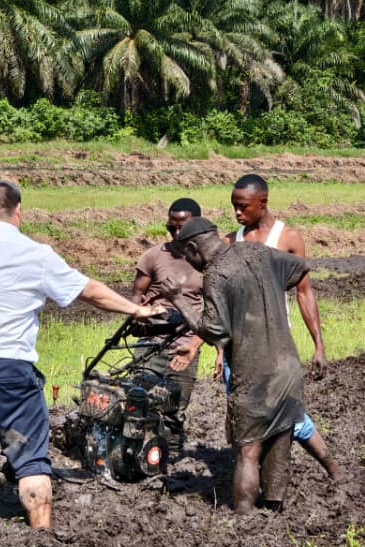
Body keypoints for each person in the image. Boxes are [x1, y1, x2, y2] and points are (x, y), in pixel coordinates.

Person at [0, 180, 160, 529]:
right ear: (19, 212)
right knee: (31, 463)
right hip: (12, 374)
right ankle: (41, 538)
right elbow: (90, 291)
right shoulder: (37, 254)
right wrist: (135, 310)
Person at [163, 216, 308, 515]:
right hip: (288, 364)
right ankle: (273, 509)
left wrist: (179, 300)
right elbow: (298, 269)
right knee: (280, 438)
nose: (190, 264)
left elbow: (215, 330)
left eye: (187, 256)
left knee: (248, 450)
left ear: (193, 248)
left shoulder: (216, 275)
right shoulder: (256, 251)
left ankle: (244, 518)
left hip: (254, 373)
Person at [224, 173, 339, 480]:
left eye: (243, 206)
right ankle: (252, 483)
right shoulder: (231, 242)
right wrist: (220, 352)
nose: (237, 213)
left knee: (292, 416)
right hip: (239, 350)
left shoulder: (287, 239)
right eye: (234, 206)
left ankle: (333, 469)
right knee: (242, 420)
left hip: (275, 349)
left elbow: (304, 292)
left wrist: (318, 345)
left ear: (263, 202)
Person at [131, 198, 207, 453]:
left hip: (185, 344)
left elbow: (216, 311)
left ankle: (172, 455)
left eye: (181, 228)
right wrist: (142, 314)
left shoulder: (207, 262)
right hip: (151, 341)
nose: (175, 234)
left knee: (175, 407)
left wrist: (208, 347)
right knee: (141, 400)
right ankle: (142, 453)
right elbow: (135, 298)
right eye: (170, 228)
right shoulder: (153, 256)